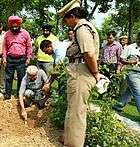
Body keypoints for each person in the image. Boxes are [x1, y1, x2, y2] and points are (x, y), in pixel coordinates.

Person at [58, 0, 101, 146]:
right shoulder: (83, 27)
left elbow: (89, 53)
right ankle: (68, 139)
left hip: (81, 73)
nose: (66, 23)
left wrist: (96, 73)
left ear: (72, 16)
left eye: (66, 19)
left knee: (77, 113)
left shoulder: (81, 28)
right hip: (80, 72)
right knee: (73, 109)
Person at [2, 16, 32, 100]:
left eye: (16, 27)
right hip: (10, 58)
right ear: (10, 26)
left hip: (21, 59)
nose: (14, 28)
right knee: (8, 77)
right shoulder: (7, 34)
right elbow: (4, 47)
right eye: (12, 27)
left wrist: (28, 58)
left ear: (19, 25)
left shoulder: (25, 33)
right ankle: (8, 94)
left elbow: (29, 46)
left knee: (21, 77)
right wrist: (4, 58)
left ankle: (20, 93)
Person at [112, 32, 140, 113]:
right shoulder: (130, 47)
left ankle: (118, 106)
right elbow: (122, 59)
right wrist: (131, 62)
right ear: (138, 38)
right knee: (138, 93)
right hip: (132, 73)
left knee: (129, 91)